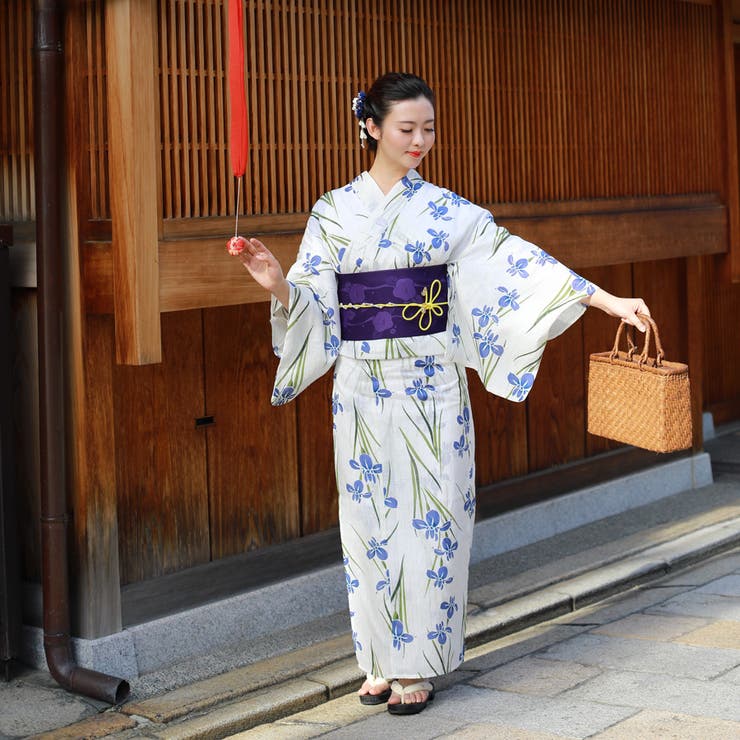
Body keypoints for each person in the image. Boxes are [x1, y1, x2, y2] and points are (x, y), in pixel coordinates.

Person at [236, 72, 650, 715]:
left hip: (432, 389)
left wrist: (607, 301)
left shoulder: (451, 213)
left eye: (428, 128)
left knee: (431, 528)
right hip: (362, 389)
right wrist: (276, 286)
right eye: (406, 128)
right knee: (369, 523)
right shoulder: (332, 212)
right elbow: (314, 303)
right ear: (370, 127)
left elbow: (522, 265)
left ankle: (417, 667)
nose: (420, 140)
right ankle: (376, 659)